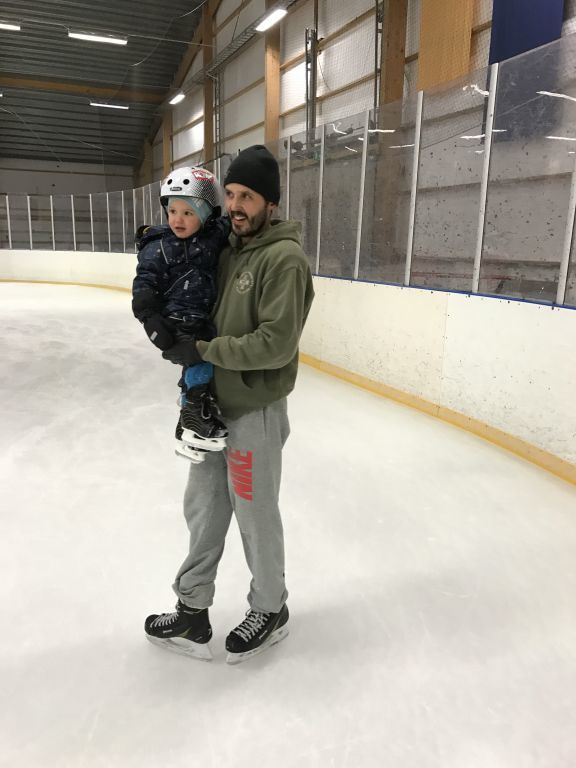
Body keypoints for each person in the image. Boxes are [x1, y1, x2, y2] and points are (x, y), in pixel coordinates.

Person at [144, 145, 315, 664]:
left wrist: (203, 350)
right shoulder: (226, 248)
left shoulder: (284, 260)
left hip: (253, 411)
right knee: (203, 509)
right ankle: (192, 609)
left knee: (255, 514)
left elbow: (275, 344)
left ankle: (271, 608)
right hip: (210, 409)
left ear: (270, 203)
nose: (237, 205)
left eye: (248, 197)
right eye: (233, 194)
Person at [131, 167, 231, 461]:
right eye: (172, 211)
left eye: (188, 213)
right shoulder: (159, 247)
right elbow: (144, 283)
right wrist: (149, 318)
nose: (177, 219)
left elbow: (228, 225)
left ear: (207, 215)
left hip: (201, 313)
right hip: (178, 317)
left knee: (198, 364)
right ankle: (194, 413)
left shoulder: (212, 236)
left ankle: (187, 423)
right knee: (200, 358)